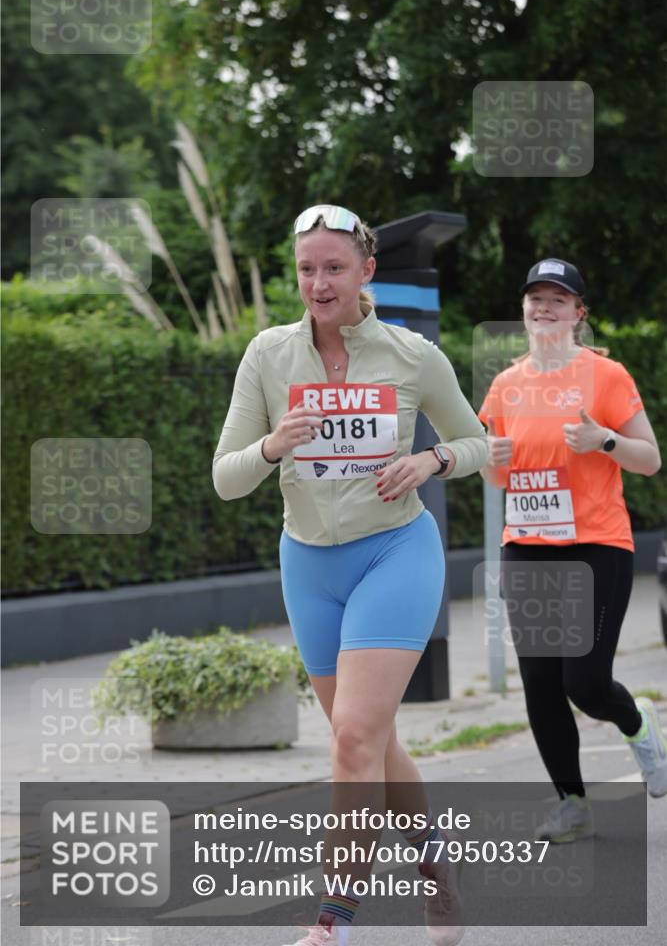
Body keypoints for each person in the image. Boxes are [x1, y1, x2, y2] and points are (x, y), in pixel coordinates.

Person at [212, 204, 487, 945]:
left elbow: (478, 443)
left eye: (333, 267)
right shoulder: (268, 355)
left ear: (367, 271)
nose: (318, 283)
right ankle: (436, 866)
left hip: (394, 553)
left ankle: (330, 921)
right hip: (307, 563)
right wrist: (273, 445)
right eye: (306, 269)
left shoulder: (411, 355)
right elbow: (224, 478)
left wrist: (430, 459)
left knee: (352, 738)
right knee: (365, 740)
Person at [479, 258, 666, 843]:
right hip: (527, 547)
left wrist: (602, 440)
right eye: (535, 297)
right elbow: (495, 477)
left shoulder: (606, 376)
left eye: (558, 299)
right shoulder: (506, 384)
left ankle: (638, 724)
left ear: (579, 314)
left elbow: (650, 459)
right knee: (539, 681)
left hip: (595, 546)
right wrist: (494, 460)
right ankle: (572, 804)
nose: (544, 307)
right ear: (524, 310)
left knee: (584, 684)